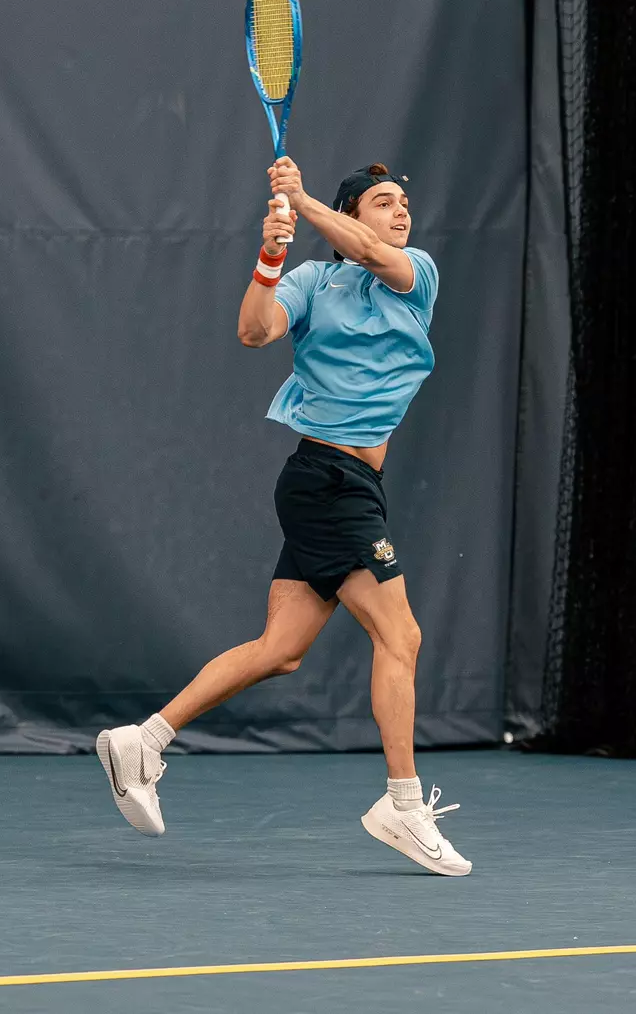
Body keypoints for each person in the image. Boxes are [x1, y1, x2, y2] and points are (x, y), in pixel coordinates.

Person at [96, 157, 471, 876]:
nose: (400, 214)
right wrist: (271, 257)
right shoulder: (312, 282)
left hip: (349, 485)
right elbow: (254, 331)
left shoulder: (413, 271)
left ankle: (145, 740)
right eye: (384, 203)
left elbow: (368, 253)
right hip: (325, 482)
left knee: (281, 649)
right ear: (351, 212)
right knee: (402, 635)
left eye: (404, 204)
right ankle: (402, 801)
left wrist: (300, 201)